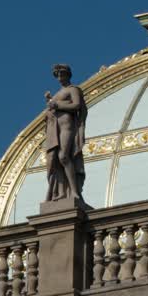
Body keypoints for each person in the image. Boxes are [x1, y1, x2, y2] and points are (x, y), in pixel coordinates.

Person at [44, 64, 87, 205]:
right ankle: (61, 192)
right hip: (55, 128)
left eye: (62, 75)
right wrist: (50, 102)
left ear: (68, 75)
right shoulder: (57, 93)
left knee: (63, 156)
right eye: (58, 76)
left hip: (67, 126)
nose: (60, 78)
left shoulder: (73, 89)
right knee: (55, 160)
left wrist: (57, 105)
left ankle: (74, 191)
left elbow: (76, 106)